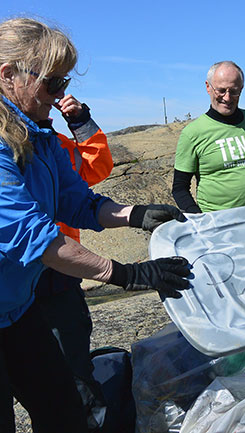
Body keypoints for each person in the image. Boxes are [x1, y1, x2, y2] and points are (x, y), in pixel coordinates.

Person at [0, 18, 191, 432]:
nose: (59, 95)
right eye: (51, 83)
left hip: (16, 307)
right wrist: (126, 274)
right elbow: (33, 238)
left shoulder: (40, 135)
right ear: (8, 75)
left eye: (63, 82)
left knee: (64, 408)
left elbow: (76, 199)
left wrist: (135, 214)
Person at [34, 93, 113, 431]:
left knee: (75, 377)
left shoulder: (56, 145)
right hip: (13, 283)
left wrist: (80, 122)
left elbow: (96, 167)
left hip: (59, 278)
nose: (54, 92)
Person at [172, 60, 245, 213]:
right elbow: (180, 188)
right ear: (208, 87)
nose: (227, 98)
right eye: (221, 90)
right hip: (219, 225)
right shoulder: (192, 133)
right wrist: (201, 220)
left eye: (234, 91)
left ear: (241, 88)